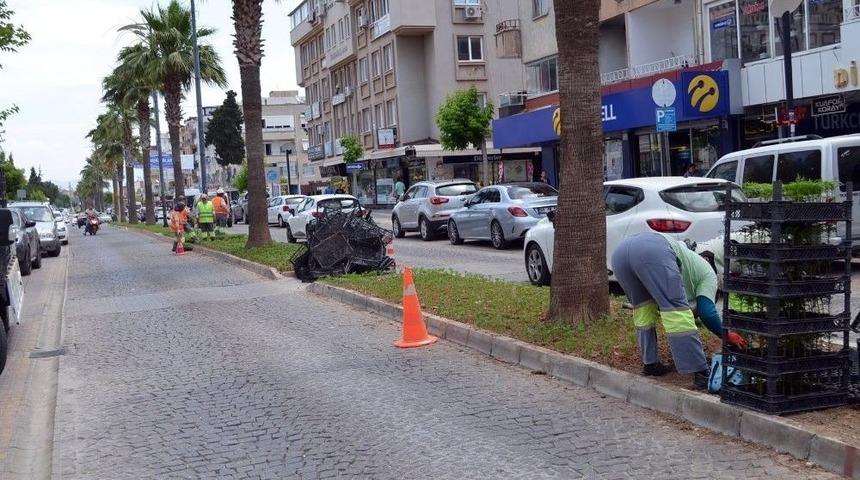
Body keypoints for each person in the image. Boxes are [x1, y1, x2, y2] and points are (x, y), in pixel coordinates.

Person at [610, 232, 747, 387]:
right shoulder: (709, 275)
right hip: (652, 251)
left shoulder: (690, 262)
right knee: (676, 312)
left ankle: (651, 364)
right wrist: (727, 335)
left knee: (643, 311)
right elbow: (707, 312)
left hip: (620, 253)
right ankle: (700, 371)